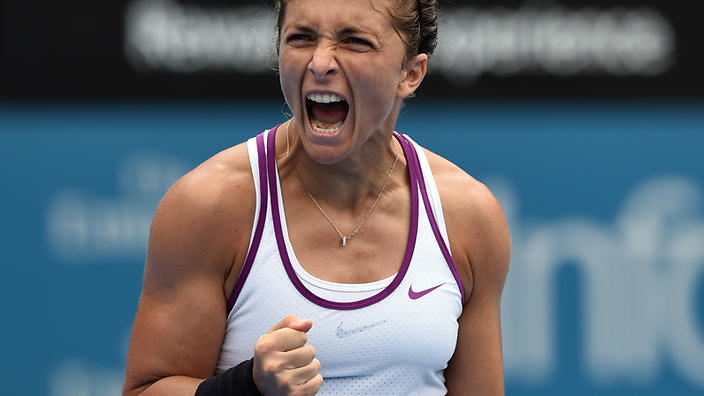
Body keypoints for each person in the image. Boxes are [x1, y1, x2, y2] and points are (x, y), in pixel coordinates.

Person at [122, 0, 510, 394]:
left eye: (354, 41)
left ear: (410, 74)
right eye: (301, 38)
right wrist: (245, 388)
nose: (320, 62)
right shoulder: (208, 206)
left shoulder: (469, 215)